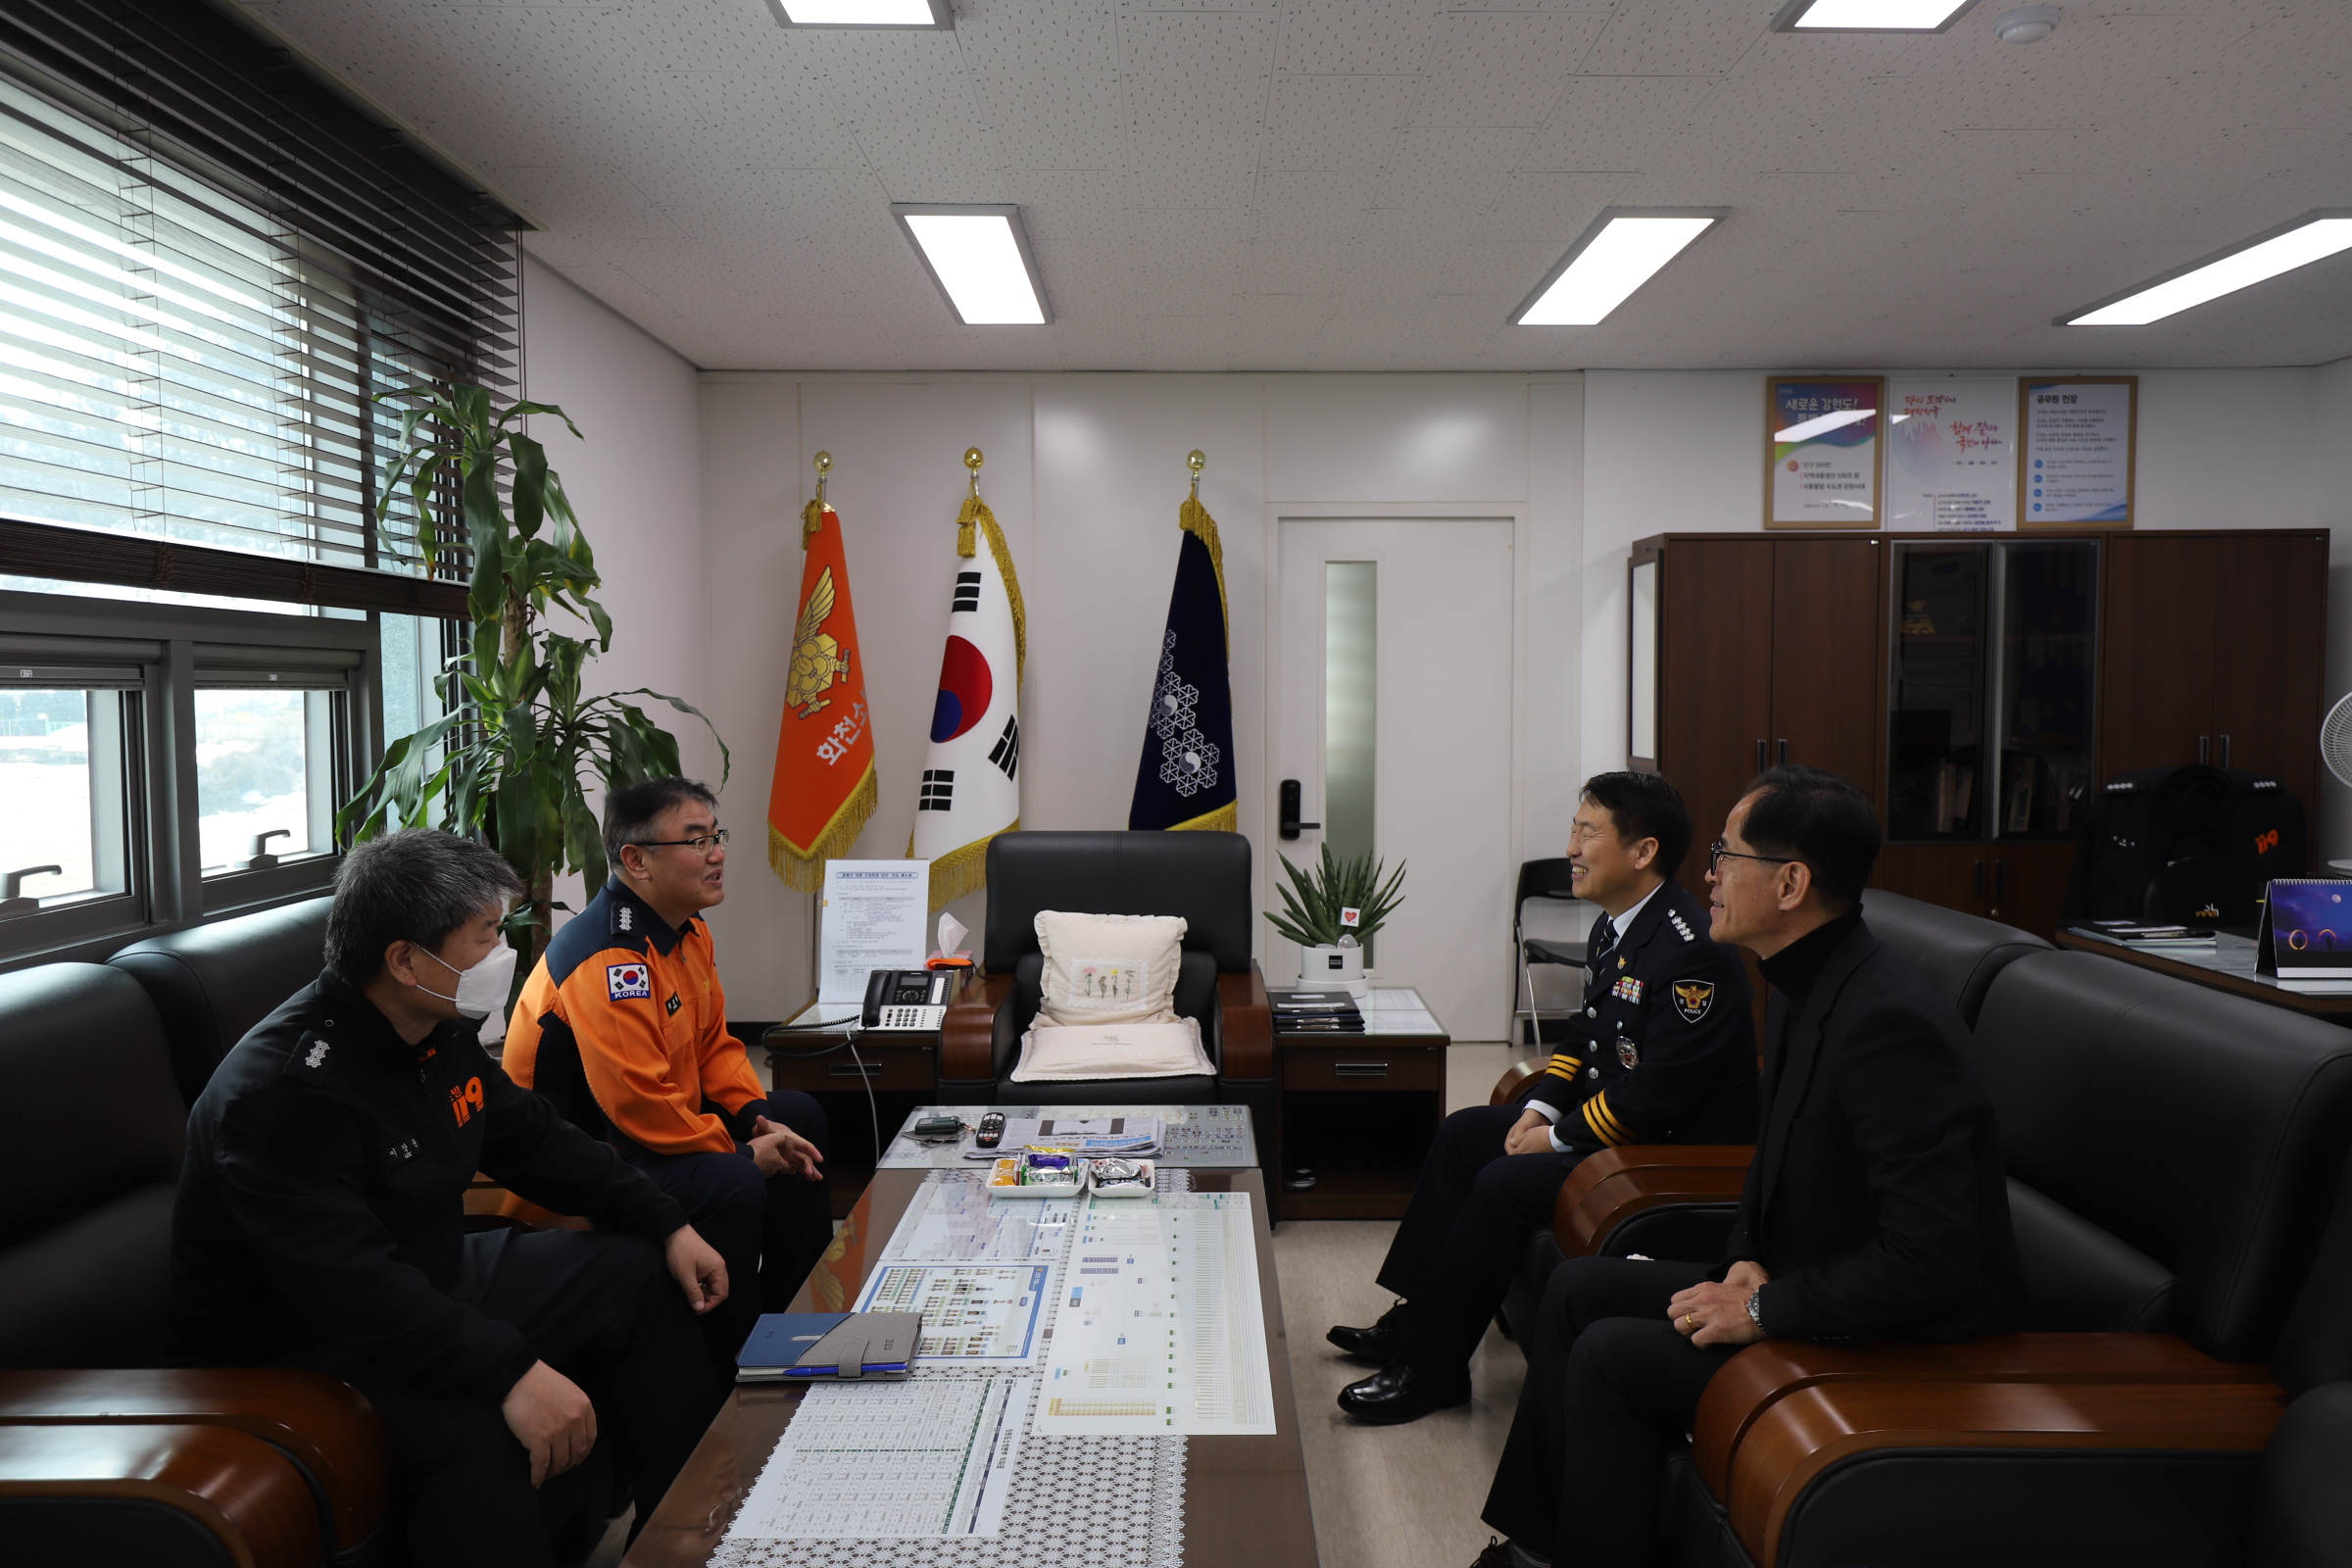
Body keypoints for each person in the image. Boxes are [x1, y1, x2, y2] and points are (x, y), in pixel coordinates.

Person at [1472, 765, 2025, 1568]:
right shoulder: (1808, 980)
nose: (1709, 876)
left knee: (1611, 1356)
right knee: (1576, 1288)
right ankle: (1535, 1544)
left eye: (1727, 856)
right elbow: (1774, 1167)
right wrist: (1744, 1256)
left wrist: (1764, 1308)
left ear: (1792, 883)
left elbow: (1933, 1262)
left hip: (1894, 1335)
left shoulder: (1888, 1024)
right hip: (1801, 1278)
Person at [171, 829, 729, 1568]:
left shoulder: (435, 1028)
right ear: (405, 960)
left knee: (638, 1274)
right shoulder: (284, 1095)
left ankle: (690, 1541)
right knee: (478, 1427)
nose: (503, 954)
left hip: (423, 1275)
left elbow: (537, 1141)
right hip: (304, 1340)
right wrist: (510, 1370)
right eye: (485, 935)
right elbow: (351, 1284)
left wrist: (666, 1221)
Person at [1330, 771, 1757, 1424]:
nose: (1571, 849)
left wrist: (1556, 1139)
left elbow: (1656, 1097)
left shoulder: (1691, 950)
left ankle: (1431, 1369)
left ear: (1642, 852)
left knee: (1505, 1181)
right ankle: (1417, 1318)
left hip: (1664, 1153)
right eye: (1573, 831)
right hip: (1619, 1127)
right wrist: (1540, 1109)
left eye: (1588, 833)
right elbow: (1584, 1035)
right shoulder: (1615, 926)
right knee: (1465, 1132)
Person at [504, 776, 833, 1390]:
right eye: (696, 840)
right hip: (586, 1162)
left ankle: (796, 1321)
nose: (717, 853)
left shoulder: (687, 930)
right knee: (734, 1180)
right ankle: (732, 1367)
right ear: (636, 860)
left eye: (717, 836)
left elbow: (715, 1047)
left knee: (799, 1117)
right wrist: (743, 1153)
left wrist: (756, 1118)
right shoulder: (610, 958)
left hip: (649, 1135)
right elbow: (639, 1106)